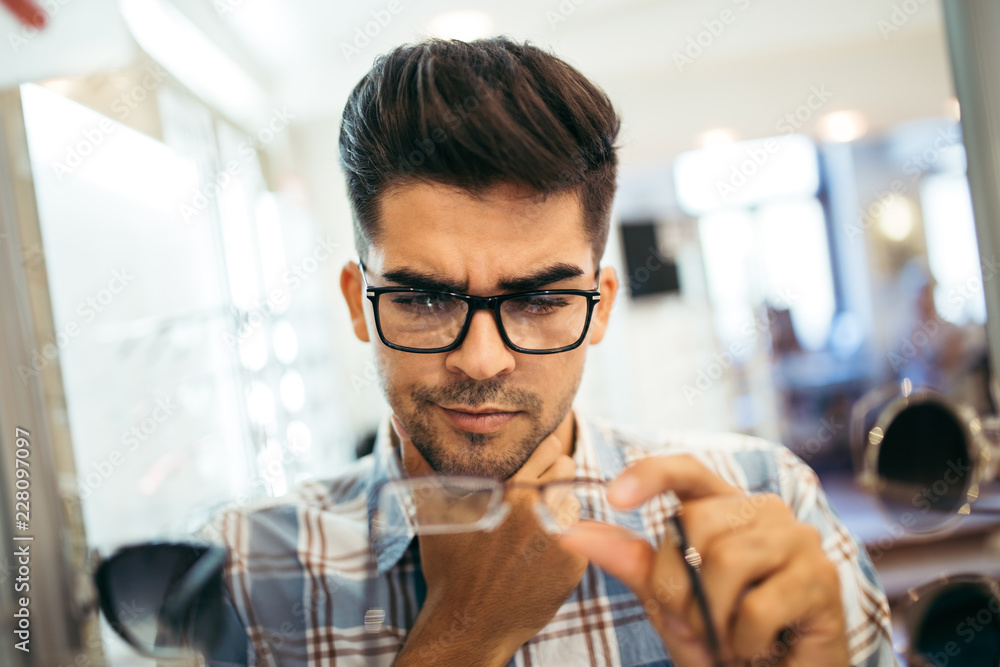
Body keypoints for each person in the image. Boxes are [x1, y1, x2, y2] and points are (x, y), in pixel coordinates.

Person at [200, 37, 895, 666]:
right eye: (424, 298)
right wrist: (462, 636)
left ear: (602, 307)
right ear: (358, 304)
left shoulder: (769, 499)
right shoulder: (243, 575)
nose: (480, 360)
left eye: (537, 302)